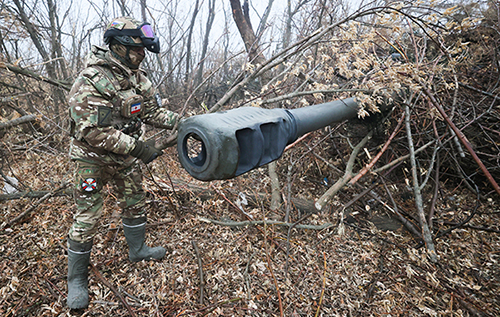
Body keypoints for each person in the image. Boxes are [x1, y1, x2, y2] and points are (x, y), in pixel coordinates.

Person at [66, 16, 178, 309]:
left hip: (126, 157)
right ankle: (76, 280)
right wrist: (140, 148)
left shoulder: (138, 78)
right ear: (119, 46)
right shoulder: (92, 80)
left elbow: (153, 112)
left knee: (135, 201)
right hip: (92, 160)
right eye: (137, 50)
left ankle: (138, 249)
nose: (141, 56)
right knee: (88, 216)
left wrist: (186, 122)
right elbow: (92, 131)